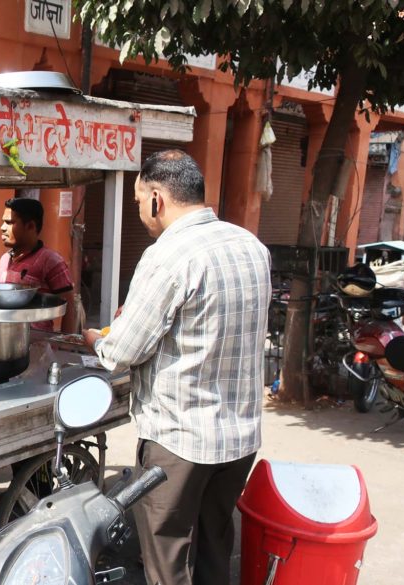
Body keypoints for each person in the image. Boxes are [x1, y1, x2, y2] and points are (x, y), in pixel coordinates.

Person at [83, 151, 271, 585]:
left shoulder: (168, 255)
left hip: (180, 441)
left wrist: (98, 340)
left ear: (156, 198)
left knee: (168, 562)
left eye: (137, 202)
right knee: (213, 549)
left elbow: (123, 350)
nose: (140, 212)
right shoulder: (251, 245)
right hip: (238, 437)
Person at [0, 197, 76, 331]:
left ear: (31, 226)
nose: (2, 228)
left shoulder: (51, 260)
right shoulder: (4, 259)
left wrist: (65, 346)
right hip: (4, 342)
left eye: (9, 222)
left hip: (38, 347)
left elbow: (69, 308)